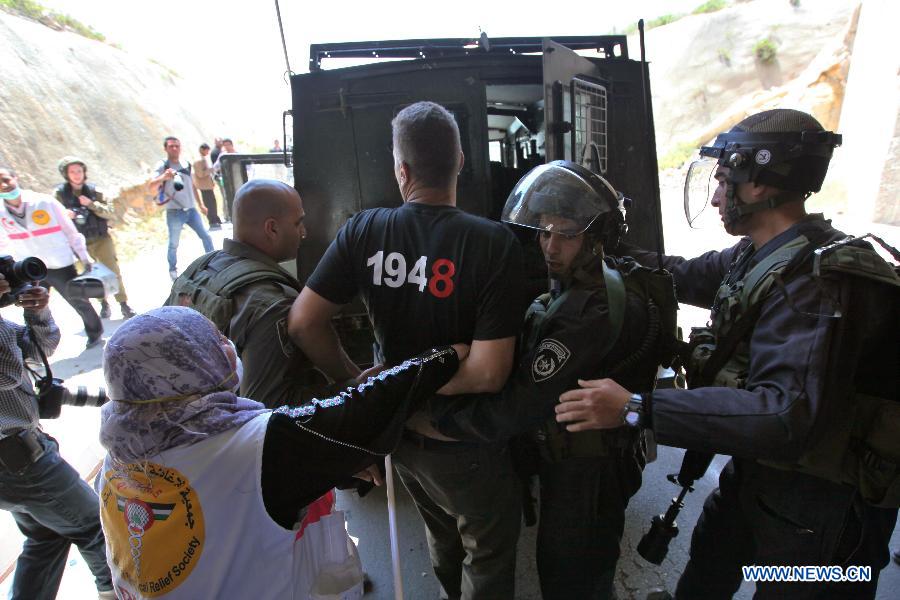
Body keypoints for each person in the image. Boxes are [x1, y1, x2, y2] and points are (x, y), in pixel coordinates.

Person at [553, 109, 899, 598]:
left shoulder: (820, 283)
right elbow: (679, 273)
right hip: (763, 472)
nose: (716, 194)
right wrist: (596, 246)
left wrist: (636, 408)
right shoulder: (764, 252)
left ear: (757, 183)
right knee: (714, 552)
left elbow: (783, 413)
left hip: (823, 502)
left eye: (723, 179)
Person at [288, 101, 526, 599]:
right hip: (463, 439)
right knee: (488, 547)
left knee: (439, 528)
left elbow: (304, 322)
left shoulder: (364, 230)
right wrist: (399, 383)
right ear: (460, 161)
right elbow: (488, 373)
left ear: (402, 170)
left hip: (399, 435)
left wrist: (367, 383)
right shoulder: (493, 244)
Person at [427, 161, 675, 599]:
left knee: (571, 578)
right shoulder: (580, 286)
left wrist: (439, 422)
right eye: (544, 231)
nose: (550, 246)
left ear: (597, 238)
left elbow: (522, 404)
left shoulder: (589, 311)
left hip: (587, 474)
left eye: (566, 233)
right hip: (580, 464)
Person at [97, 306, 466, 599]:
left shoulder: (121, 453)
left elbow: (233, 502)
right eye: (212, 341)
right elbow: (366, 409)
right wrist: (447, 356)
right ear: (184, 368)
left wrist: (322, 464)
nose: (227, 347)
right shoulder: (254, 446)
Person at [0, 274, 114, 600]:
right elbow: (8, 373)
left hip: (18, 456)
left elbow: (38, 356)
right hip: (20, 462)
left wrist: (36, 313)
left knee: (46, 536)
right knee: (97, 527)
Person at [166, 179, 326, 407]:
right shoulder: (271, 302)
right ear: (272, 228)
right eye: (298, 223)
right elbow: (268, 408)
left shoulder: (201, 267)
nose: (304, 232)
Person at [0, 165, 104, 349]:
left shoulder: (44, 202)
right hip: (27, 268)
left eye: (6, 179)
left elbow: (71, 232)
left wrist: (85, 258)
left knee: (77, 299)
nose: (3, 185)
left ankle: (95, 333)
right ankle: (37, 347)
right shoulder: (1, 212)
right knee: (33, 306)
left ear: (15, 178)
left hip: (59, 264)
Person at [54, 157, 136, 320]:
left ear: (84, 172)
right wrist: (65, 215)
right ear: (66, 174)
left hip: (101, 238)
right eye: (72, 172)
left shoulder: (94, 191)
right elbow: (53, 217)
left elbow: (109, 212)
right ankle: (103, 304)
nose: (76, 175)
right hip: (79, 242)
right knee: (92, 275)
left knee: (113, 271)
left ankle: (123, 304)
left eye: (79, 171)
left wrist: (91, 204)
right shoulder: (59, 195)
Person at [148, 136, 214, 281]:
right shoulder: (163, 165)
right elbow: (151, 185)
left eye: (177, 146)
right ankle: (173, 270)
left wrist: (201, 204)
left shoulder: (186, 164)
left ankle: (214, 263)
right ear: (165, 148)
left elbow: (192, 185)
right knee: (173, 243)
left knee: (206, 236)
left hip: (191, 209)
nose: (175, 149)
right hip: (174, 211)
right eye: (171, 146)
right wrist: (164, 177)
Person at [192, 143, 222, 231]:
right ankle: (212, 221)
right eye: (206, 150)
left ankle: (215, 219)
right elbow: (200, 174)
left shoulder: (203, 159)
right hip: (204, 186)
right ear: (202, 149)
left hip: (208, 185)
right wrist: (211, 169)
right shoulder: (198, 161)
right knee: (209, 204)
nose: (207, 152)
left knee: (212, 202)